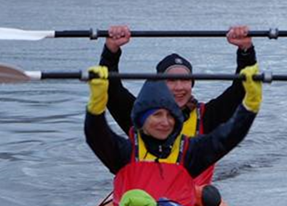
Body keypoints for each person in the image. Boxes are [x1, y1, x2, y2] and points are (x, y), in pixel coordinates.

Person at [84, 63, 262, 206]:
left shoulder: (190, 153)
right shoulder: (124, 153)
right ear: (141, 119)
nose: (165, 122)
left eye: (171, 116)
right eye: (157, 115)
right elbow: (96, 134)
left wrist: (250, 106)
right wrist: (97, 103)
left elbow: (228, 136)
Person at [98, 25, 257, 185]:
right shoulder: (139, 114)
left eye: (185, 80)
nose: (179, 87)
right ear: (158, 84)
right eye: (171, 80)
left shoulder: (208, 116)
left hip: (191, 198)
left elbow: (241, 88)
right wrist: (111, 50)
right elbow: (110, 88)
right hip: (142, 197)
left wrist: (245, 50)